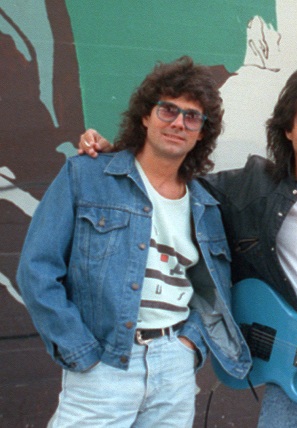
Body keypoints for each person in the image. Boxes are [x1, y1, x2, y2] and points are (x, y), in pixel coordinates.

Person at [79, 63, 297, 428]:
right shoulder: (252, 188)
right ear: (288, 129)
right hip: (296, 352)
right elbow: (171, 174)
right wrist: (118, 151)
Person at [17, 56, 252, 427]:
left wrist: (190, 344)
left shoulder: (205, 204)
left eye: (192, 117)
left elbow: (209, 289)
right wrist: (80, 350)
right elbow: (36, 270)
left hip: (174, 367)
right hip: (103, 365)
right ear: (146, 115)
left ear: (202, 132)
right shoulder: (87, 175)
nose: (178, 123)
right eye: (168, 110)